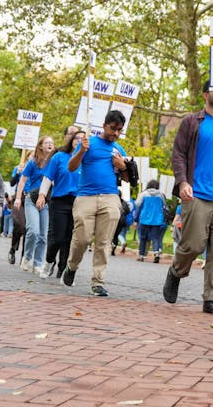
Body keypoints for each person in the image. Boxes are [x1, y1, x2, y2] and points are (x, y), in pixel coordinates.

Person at [162, 79, 213, 316]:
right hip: (196, 193)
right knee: (193, 244)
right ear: (205, 94)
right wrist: (183, 182)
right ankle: (176, 271)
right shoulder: (191, 122)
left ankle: (212, 298)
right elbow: (178, 154)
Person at [61, 110, 130, 297]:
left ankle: (98, 282)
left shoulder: (119, 149)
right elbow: (71, 167)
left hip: (110, 197)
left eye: (119, 130)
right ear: (104, 125)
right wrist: (81, 151)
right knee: (82, 238)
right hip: (86, 197)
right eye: (113, 129)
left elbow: (127, 177)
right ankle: (71, 266)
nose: (115, 133)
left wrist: (123, 166)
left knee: (104, 242)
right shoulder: (88, 143)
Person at [37, 128, 83, 278]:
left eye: (83, 139)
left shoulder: (87, 159)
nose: (80, 141)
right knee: (57, 237)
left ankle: (63, 270)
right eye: (77, 138)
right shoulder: (59, 157)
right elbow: (48, 177)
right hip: (59, 201)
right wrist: (42, 195)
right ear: (71, 141)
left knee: (70, 239)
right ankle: (49, 262)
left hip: (78, 202)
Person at [14, 135, 56, 274]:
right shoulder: (33, 162)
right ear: (41, 146)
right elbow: (22, 181)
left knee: (43, 235)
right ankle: (27, 257)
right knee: (33, 231)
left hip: (46, 201)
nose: (50, 145)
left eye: (52, 143)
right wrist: (18, 198)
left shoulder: (54, 163)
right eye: (47, 143)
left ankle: (37, 264)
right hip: (31, 199)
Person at [135, 180, 166, 263]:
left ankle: (141, 255)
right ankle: (156, 253)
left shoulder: (143, 194)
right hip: (157, 219)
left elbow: (137, 204)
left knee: (143, 238)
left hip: (145, 218)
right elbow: (164, 205)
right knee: (155, 238)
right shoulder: (161, 195)